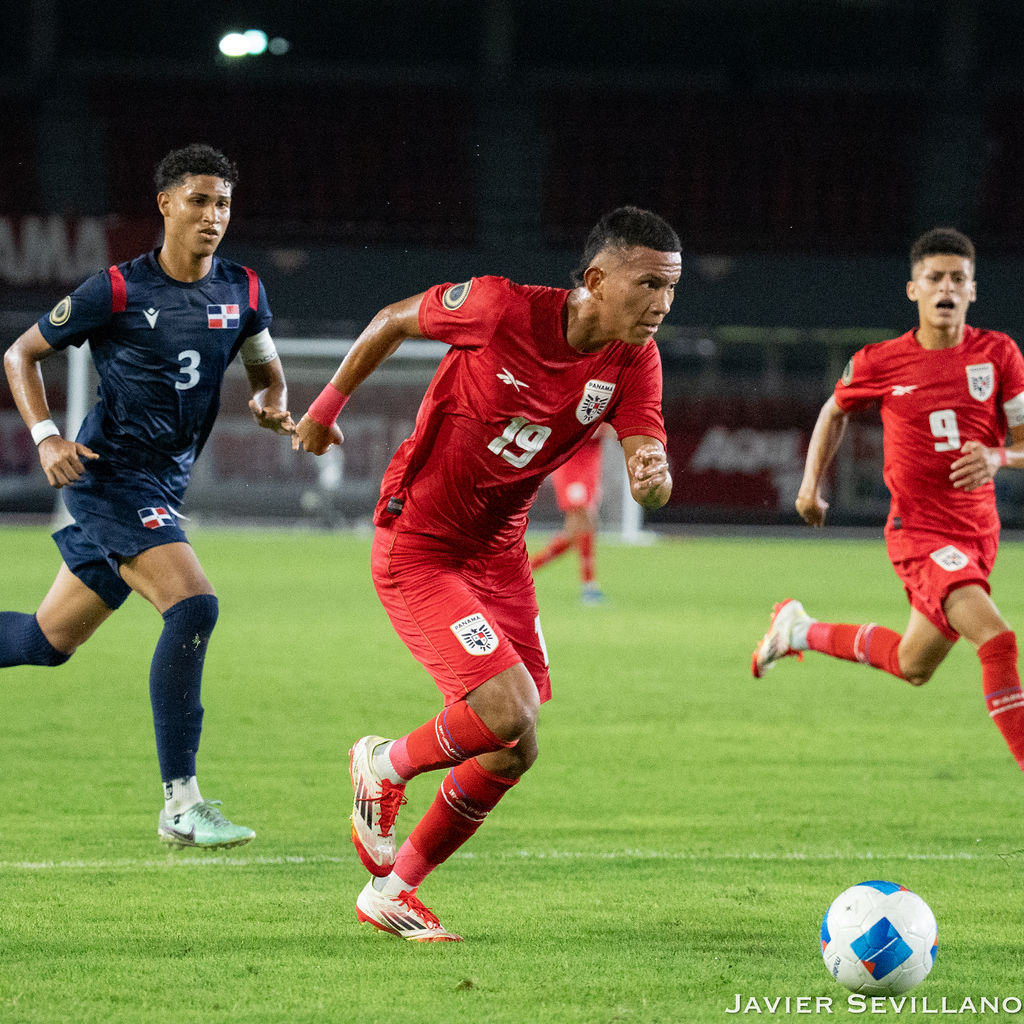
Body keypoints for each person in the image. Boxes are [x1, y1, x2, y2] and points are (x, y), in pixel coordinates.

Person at [294, 206, 679, 941]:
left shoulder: (635, 360)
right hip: (420, 543)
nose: (662, 303)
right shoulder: (500, 307)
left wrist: (653, 477)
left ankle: (393, 891)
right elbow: (391, 320)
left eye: (671, 288)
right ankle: (383, 763)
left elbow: (646, 459)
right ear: (597, 279)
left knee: (514, 744)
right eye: (648, 284)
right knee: (507, 710)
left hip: (498, 556)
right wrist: (325, 407)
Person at [2, 143, 295, 847]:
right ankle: (180, 805)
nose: (213, 216)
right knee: (193, 606)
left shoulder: (245, 290)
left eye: (223, 203)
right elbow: (20, 354)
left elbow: (267, 372)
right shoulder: (116, 290)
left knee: (46, 641)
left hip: (163, 484)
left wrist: (271, 402)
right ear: (165, 205)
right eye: (199, 201)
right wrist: (46, 437)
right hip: (109, 479)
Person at [752, 227, 1024, 775]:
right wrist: (810, 485)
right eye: (935, 278)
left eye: (958, 278)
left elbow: (1022, 445)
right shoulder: (882, 361)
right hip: (920, 534)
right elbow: (834, 411)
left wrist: (998, 457)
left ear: (973, 290)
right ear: (913, 289)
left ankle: (799, 630)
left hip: (978, 534)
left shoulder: (999, 354)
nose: (946, 288)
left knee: (912, 664)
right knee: (997, 640)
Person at [530, 422, 615, 604]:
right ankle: (589, 587)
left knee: (574, 533)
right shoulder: (579, 410)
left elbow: (614, 432)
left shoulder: (603, 410)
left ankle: (526, 569)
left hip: (589, 472)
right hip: (571, 470)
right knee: (585, 520)